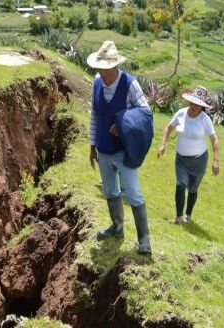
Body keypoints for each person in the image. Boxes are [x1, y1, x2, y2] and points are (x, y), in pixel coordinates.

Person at [87, 40, 152, 254]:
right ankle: (117, 227)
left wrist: (123, 123)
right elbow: (94, 117)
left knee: (133, 193)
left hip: (124, 151)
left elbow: (145, 113)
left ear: (116, 66)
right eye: (100, 69)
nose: (103, 74)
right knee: (109, 190)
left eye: (107, 69)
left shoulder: (130, 84)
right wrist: (92, 146)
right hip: (104, 149)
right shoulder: (96, 83)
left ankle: (144, 240)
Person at [157, 86, 220, 224]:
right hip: (181, 159)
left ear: (201, 106)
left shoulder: (205, 119)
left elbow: (214, 139)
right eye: (192, 102)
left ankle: (188, 214)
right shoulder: (181, 113)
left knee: (192, 189)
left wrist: (216, 160)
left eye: (197, 104)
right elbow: (169, 128)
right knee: (180, 184)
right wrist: (163, 144)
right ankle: (179, 217)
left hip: (199, 160)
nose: (194, 106)